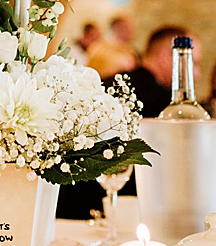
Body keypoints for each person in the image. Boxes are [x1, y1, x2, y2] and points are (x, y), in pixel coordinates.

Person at [57, 25, 197, 219]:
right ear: (168, 55)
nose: (196, 74)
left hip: (70, 207)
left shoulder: (105, 85)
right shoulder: (166, 106)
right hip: (127, 215)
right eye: (193, 64)